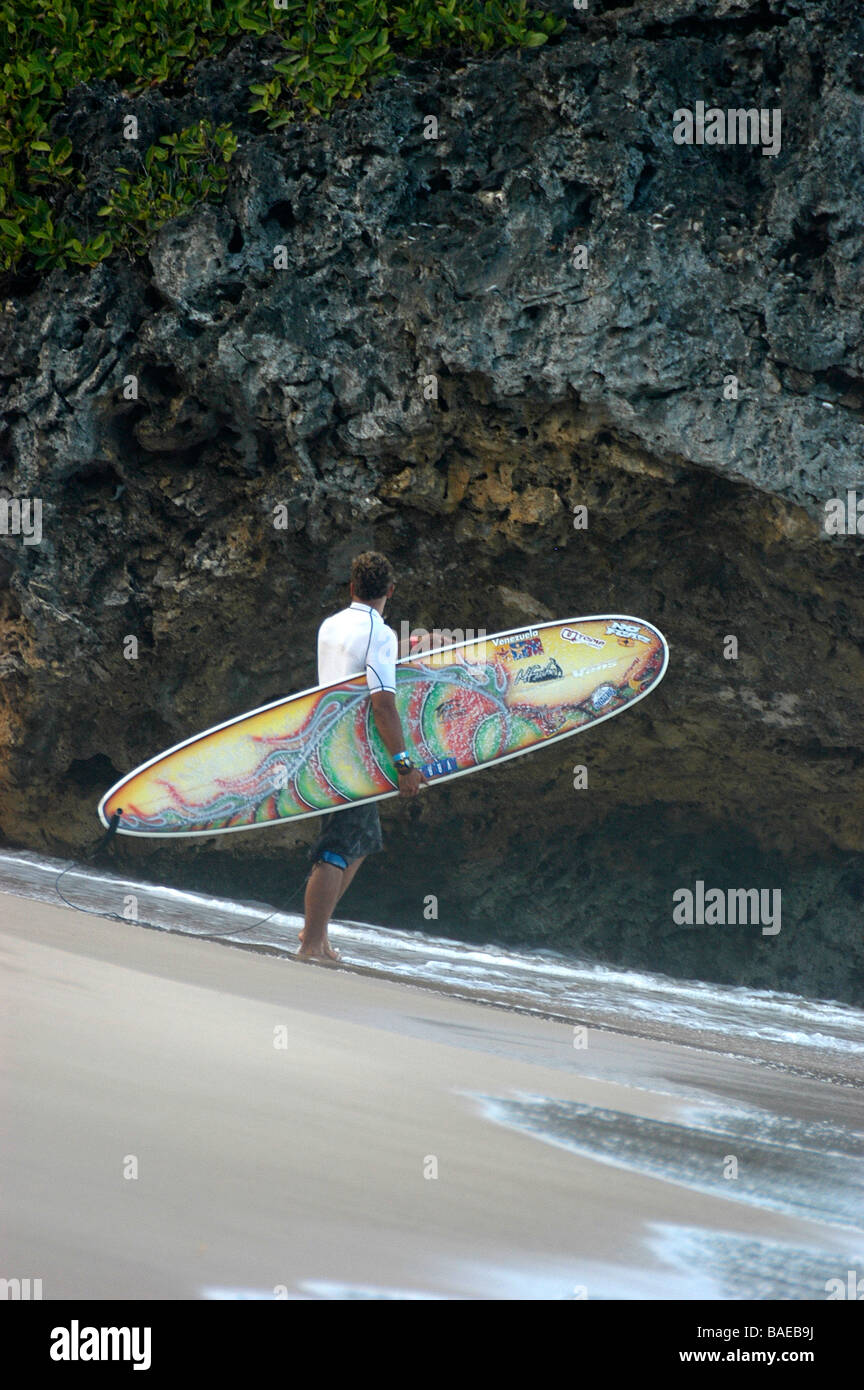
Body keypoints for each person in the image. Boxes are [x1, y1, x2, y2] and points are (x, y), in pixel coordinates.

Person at [298, 552, 425, 961]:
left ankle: (319, 933)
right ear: (390, 590)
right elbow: (382, 703)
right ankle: (312, 942)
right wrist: (403, 764)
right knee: (337, 844)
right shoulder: (379, 633)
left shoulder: (331, 625)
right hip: (353, 755)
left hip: (324, 741)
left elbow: (350, 670)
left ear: (351, 587)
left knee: (363, 839)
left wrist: (401, 648)